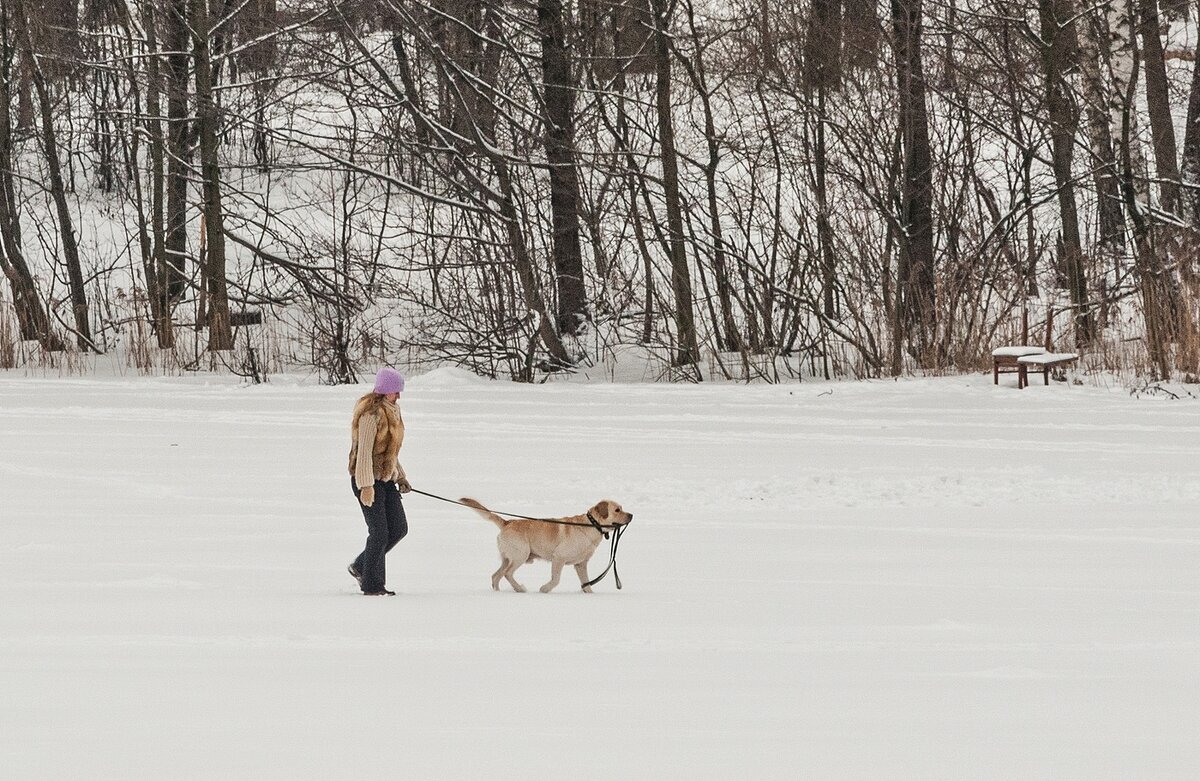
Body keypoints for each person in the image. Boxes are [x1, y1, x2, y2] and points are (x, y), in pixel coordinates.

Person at [347, 367, 411, 595]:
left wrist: (400, 476)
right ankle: (372, 585)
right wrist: (366, 486)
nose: (399, 396)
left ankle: (360, 566)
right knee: (379, 532)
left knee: (399, 529)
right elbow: (364, 453)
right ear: (384, 391)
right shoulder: (370, 414)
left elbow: (390, 452)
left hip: (385, 479)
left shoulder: (392, 411)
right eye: (395, 391)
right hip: (366, 479)